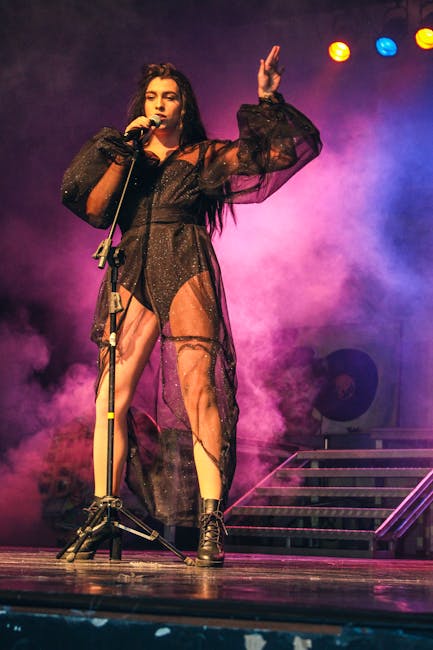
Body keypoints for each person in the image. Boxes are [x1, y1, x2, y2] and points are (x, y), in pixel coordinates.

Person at [61, 45, 322, 567]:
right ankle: (103, 508)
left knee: (199, 390)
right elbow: (94, 209)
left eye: (170, 96)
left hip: (183, 260)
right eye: (152, 96)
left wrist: (268, 99)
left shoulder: (203, 156)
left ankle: (209, 520)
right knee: (110, 395)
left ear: (184, 106)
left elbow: (276, 156)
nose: (159, 104)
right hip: (133, 264)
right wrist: (125, 150)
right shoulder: (129, 157)